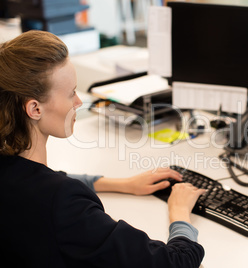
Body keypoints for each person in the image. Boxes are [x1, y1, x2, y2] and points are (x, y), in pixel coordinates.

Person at [0, 30, 206, 267]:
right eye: (71, 93)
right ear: (35, 109)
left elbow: (44, 180)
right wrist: (179, 213)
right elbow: (175, 263)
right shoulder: (64, 204)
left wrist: (121, 184)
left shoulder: (14, 171)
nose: (79, 102)